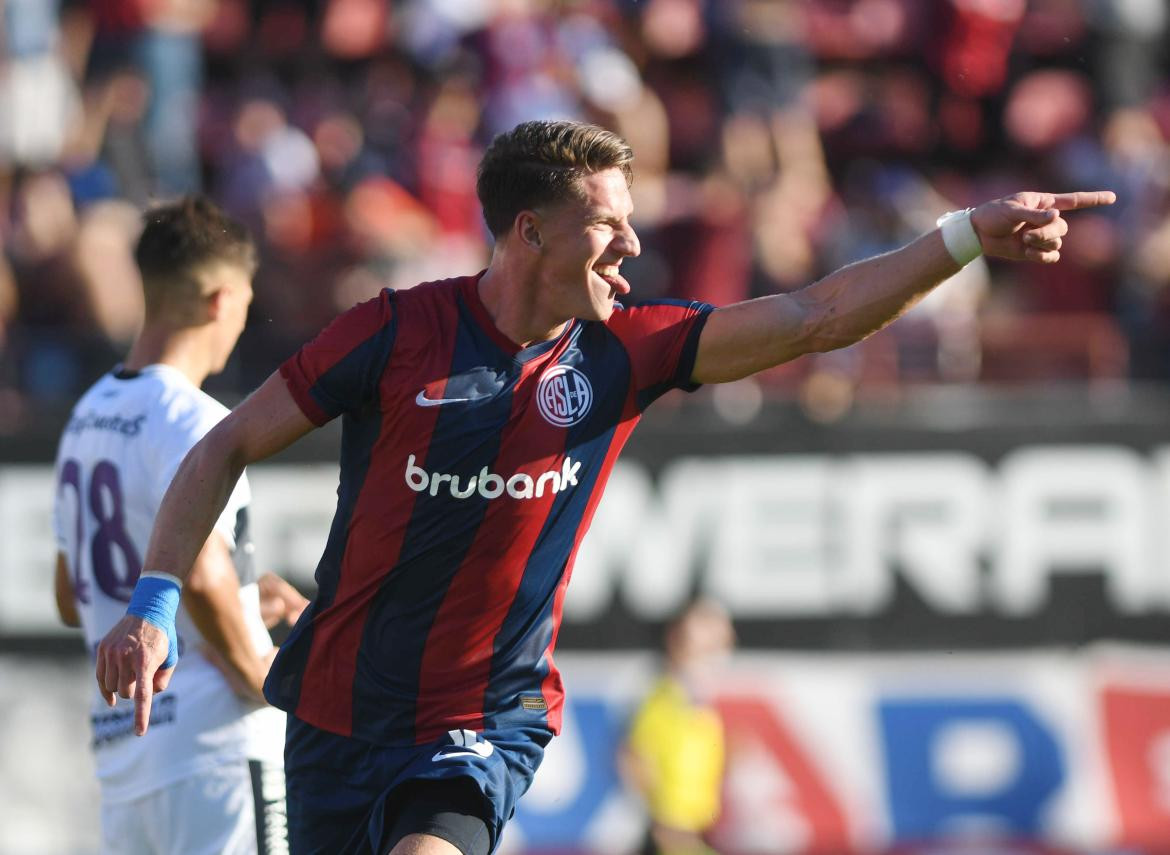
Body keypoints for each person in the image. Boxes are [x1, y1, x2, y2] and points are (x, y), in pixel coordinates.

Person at [93, 120, 1115, 855]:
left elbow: (814, 316)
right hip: (334, 711)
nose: (632, 246)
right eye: (606, 225)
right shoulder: (396, 332)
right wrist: (152, 603)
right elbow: (221, 449)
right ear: (529, 233)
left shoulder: (626, 352)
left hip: (480, 720)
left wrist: (963, 236)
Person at [52, 195, 307, 855]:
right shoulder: (194, 419)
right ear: (223, 297)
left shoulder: (87, 414)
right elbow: (198, 568)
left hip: (128, 756)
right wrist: (262, 673)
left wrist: (248, 592)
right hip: (215, 749)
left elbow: (69, 593)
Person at [621, 598, 736, 855]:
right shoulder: (662, 700)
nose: (717, 657)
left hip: (689, 837)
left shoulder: (703, 708)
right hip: (671, 837)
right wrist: (666, 829)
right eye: (708, 647)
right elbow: (632, 759)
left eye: (721, 645)